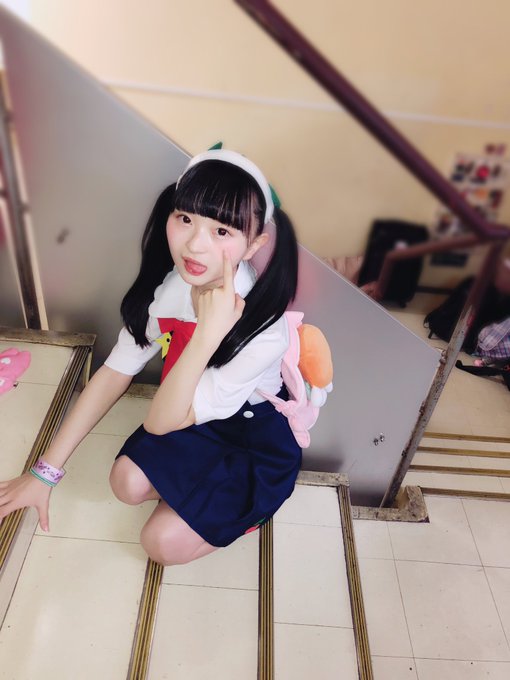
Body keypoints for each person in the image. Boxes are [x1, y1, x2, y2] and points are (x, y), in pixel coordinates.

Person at [0, 148, 302, 566]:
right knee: (125, 482)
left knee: (160, 544)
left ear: (254, 245)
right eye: (185, 219)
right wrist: (44, 474)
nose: (194, 245)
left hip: (249, 436)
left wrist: (208, 334)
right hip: (187, 413)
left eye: (222, 231)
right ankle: (196, 495)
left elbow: (159, 422)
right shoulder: (172, 288)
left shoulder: (265, 332)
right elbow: (114, 372)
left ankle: (246, 511)